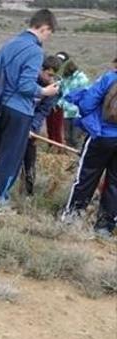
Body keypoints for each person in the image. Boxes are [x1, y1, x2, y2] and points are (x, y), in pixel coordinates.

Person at [0, 9, 60, 208]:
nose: (47, 38)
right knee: (11, 157)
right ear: (44, 28)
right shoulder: (35, 50)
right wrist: (45, 91)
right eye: (48, 33)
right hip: (19, 110)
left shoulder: (8, 44)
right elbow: (26, 86)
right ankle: (0, 201)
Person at [61, 62, 117, 239]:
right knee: (115, 183)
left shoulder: (109, 78)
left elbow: (86, 104)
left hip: (102, 135)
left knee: (86, 176)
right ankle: (105, 226)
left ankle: (72, 217)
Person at [19, 55, 62, 195]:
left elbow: (42, 111)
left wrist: (31, 128)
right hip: (16, 122)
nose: (50, 79)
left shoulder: (53, 89)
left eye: (53, 75)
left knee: (29, 161)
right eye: (48, 74)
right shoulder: (28, 80)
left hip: (31, 128)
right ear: (40, 69)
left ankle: (27, 193)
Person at [59, 58, 90, 148]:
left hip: (77, 113)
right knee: (67, 137)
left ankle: (78, 157)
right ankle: (69, 158)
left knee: (75, 138)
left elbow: (85, 94)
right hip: (66, 112)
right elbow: (63, 93)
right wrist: (59, 103)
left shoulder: (82, 78)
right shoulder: (65, 79)